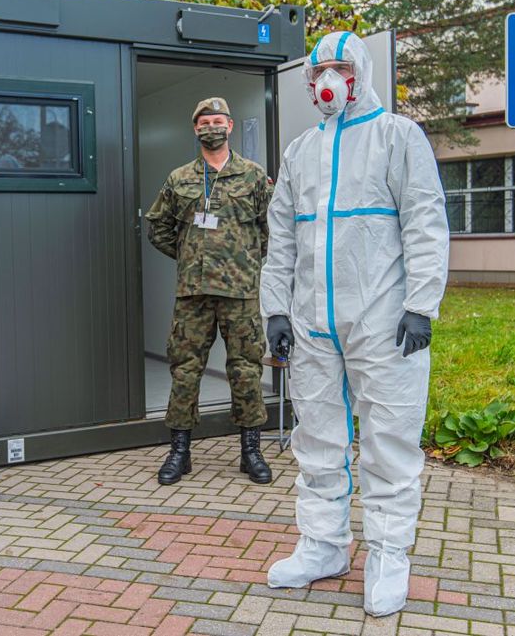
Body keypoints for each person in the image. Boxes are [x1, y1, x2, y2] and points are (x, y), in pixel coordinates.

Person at [260, 32, 449, 617]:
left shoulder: (397, 136)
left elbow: (425, 220)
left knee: (389, 438)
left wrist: (421, 303)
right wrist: (276, 308)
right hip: (314, 322)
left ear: (361, 71)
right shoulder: (300, 152)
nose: (329, 81)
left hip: (383, 320)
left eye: (341, 68)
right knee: (317, 438)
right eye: (318, 72)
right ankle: (323, 545)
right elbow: (281, 237)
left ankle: (389, 554)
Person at [145, 97, 274, 486]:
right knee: (185, 370)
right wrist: (189, 256)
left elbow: (271, 228)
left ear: (230, 126)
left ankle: (251, 451)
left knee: (246, 370)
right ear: (195, 129)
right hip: (194, 292)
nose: (211, 127)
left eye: (218, 121)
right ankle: (179, 453)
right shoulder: (179, 178)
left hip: (240, 292)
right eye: (204, 122)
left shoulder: (254, 176)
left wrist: (245, 259)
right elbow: (158, 227)